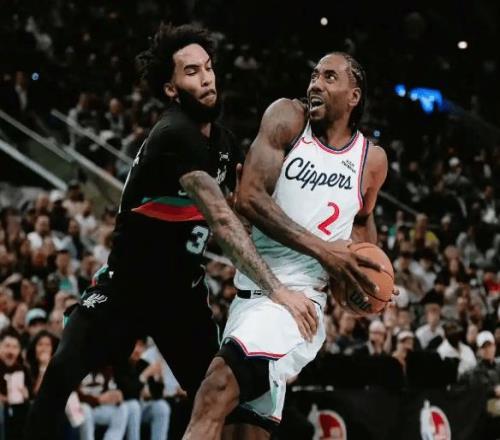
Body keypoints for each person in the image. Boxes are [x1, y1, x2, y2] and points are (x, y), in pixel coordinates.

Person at [24, 23, 315, 440]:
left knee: (224, 400)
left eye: (208, 67)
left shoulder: (225, 144)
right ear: (171, 89)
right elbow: (221, 219)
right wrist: (278, 290)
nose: (207, 78)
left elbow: (246, 214)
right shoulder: (173, 133)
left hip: (181, 297)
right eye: (192, 71)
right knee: (59, 375)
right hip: (126, 287)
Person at [184, 52, 389, 439]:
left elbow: (362, 223)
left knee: (215, 390)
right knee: (243, 431)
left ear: (354, 96)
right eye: (314, 75)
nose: (315, 84)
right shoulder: (288, 118)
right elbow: (250, 197)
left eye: (329, 77)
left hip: (299, 304)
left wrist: (364, 278)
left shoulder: (371, 161)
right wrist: (324, 250)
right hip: (250, 294)